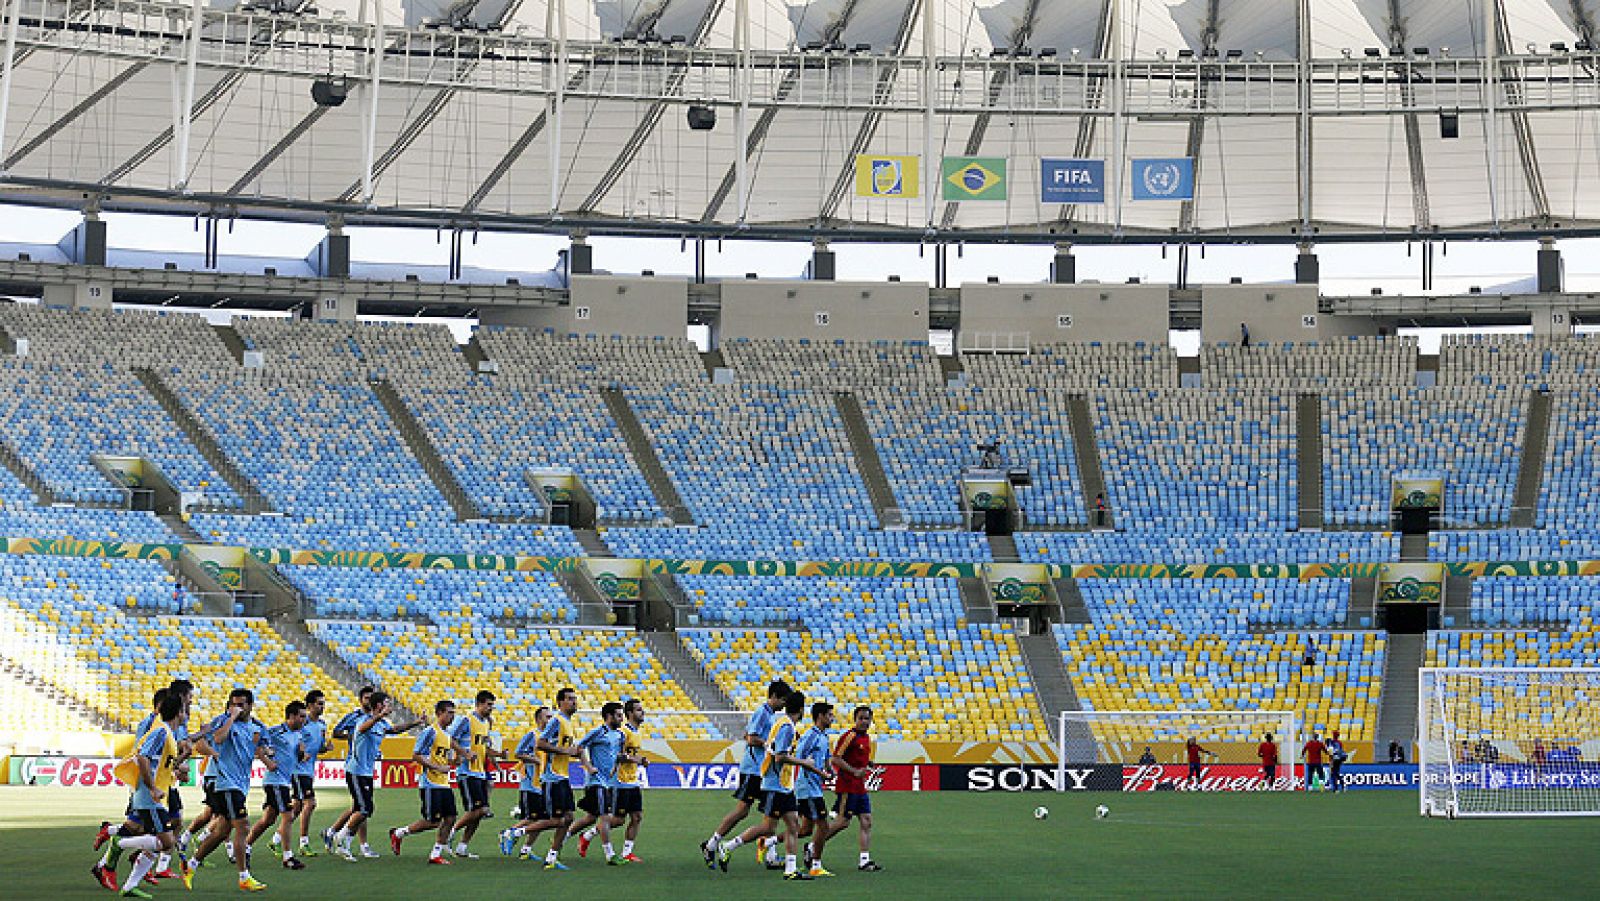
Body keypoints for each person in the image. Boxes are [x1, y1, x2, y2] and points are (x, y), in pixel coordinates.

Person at [717, 691, 821, 880]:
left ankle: (791, 869)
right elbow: (780, 756)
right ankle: (729, 845)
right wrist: (805, 762)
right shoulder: (786, 727)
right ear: (801, 709)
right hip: (776, 784)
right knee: (768, 828)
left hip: (782, 785)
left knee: (792, 825)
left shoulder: (782, 723)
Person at [102, 691, 189, 899]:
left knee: (160, 842)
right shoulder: (160, 731)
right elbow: (142, 757)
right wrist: (151, 787)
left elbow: (161, 764)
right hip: (151, 798)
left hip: (159, 798)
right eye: (185, 708)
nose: (187, 712)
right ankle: (118, 843)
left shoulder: (166, 732)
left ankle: (130, 885)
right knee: (166, 842)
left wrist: (176, 771)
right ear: (179, 712)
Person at [186, 688, 270, 893]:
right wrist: (231, 717)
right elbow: (219, 738)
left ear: (250, 706)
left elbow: (262, 747)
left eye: (241, 705)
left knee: (222, 830)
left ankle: (190, 866)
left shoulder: (258, 727)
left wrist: (267, 752)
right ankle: (244, 876)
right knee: (243, 826)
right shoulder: (224, 719)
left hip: (240, 783)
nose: (237, 708)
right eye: (234, 704)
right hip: (224, 782)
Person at [703, 680, 792, 868]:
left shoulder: (769, 715)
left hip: (762, 770)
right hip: (753, 769)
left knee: (769, 814)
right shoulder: (762, 712)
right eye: (783, 700)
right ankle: (712, 844)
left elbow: (748, 734)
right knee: (743, 810)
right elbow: (751, 738)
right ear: (774, 697)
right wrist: (769, 745)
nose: (784, 705)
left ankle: (770, 855)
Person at [330, 691, 422, 861]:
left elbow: (394, 729)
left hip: (366, 772)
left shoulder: (381, 724)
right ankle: (340, 838)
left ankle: (345, 842)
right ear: (379, 705)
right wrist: (379, 716)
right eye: (387, 703)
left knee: (363, 809)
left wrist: (415, 723)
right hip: (356, 771)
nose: (390, 706)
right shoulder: (364, 720)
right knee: (364, 809)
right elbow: (363, 728)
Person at [390, 700, 460, 865]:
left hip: (444, 783)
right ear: (439, 713)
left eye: (453, 713)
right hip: (430, 783)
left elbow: (446, 758)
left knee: (450, 818)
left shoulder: (447, 735)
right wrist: (436, 767)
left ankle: (435, 853)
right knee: (432, 821)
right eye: (449, 713)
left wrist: (456, 760)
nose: (452, 716)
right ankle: (399, 833)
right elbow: (416, 755)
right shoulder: (430, 732)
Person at [245, 700, 309, 870]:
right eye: (301, 716)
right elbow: (257, 746)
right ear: (292, 716)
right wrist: (267, 762)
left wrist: (302, 754)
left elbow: (295, 755)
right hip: (275, 781)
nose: (304, 720)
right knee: (288, 815)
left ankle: (245, 846)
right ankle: (288, 857)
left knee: (268, 819)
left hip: (283, 781)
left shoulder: (298, 734)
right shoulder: (275, 732)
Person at [530, 687, 582, 870]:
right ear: (560, 702)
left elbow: (563, 749)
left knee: (568, 818)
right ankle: (514, 832)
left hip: (563, 776)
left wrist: (573, 752)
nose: (574, 702)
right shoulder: (557, 721)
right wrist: (566, 751)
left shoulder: (567, 722)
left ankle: (551, 857)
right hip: (552, 777)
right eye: (570, 699)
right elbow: (540, 743)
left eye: (575, 699)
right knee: (558, 819)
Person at [826, 705, 881, 872]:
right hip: (848, 786)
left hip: (860, 787)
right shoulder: (850, 736)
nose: (864, 721)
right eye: (861, 718)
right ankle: (814, 846)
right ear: (855, 720)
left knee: (866, 820)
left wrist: (868, 764)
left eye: (867, 718)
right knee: (842, 822)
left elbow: (857, 759)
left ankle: (864, 860)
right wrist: (855, 771)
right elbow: (835, 759)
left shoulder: (866, 738)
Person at [445, 690, 498, 859]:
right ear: (480, 704)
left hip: (480, 772)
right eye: (488, 705)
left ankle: (462, 847)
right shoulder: (466, 720)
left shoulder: (486, 723)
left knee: (480, 812)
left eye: (492, 705)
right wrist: (464, 754)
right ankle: (449, 834)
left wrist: (498, 757)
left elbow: (483, 747)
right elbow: (450, 739)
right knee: (480, 810)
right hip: (467, 772)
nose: (491, 708)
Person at [572, 701, 627, 865]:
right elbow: (578, 748)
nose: (621, 718)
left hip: (609, 783)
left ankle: (563, 838)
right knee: (605, 817)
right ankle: (610, 855)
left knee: (591, 818)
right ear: (609, 716)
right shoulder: (597, 732)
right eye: (618, 715)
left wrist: (616, 766)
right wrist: (588, 766)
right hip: (596, 782)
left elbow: (619, 755)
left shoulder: (620, 735)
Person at [322, 686, 375, 855]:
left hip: (367, 765)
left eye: (371, 698)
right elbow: (337, 732)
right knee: (362, 807)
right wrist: (350, 736)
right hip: (355, 765)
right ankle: (359, 843)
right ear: (360, 700)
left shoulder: (376, 718)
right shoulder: (354, 717)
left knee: (358, 807)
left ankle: (332, 832)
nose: (369, 701)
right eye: (366, 698)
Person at [498, 706, 551, 858]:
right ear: (538, 719)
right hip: (530, 785)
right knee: (532, 819)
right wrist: (534, 759)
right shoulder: (532, 735)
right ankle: (507, 834)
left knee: (542, 820)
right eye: (547, 717)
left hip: (542, 784)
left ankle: (526, 850)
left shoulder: (549, 738)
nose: (550, 720)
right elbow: (518, 753)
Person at [794, 702, 839, 878]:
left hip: (815, 787)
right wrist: (822, 774)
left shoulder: (823, 736)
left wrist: (831, 771)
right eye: (829, 715)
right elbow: (801, 759)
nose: (832, 718)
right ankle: (816, 864)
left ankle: (770, 841)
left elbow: (826, 758)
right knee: (823, 825)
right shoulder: (810, 736)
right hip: (807, 788)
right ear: (820, 716)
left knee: (805, 830)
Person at [290, 690, 328, 858]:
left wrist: (325, 748)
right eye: (319, 703)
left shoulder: (322, 725)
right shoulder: (301, 723)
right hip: (298, 770)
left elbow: (318, 747)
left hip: (309, 770)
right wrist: (299, 752)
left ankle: (277, 838)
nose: (322, 707)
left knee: (297, 808)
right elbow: (292, 741)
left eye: (323, 703)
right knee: (310, 803)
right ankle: (303, 843)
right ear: (310, 705)